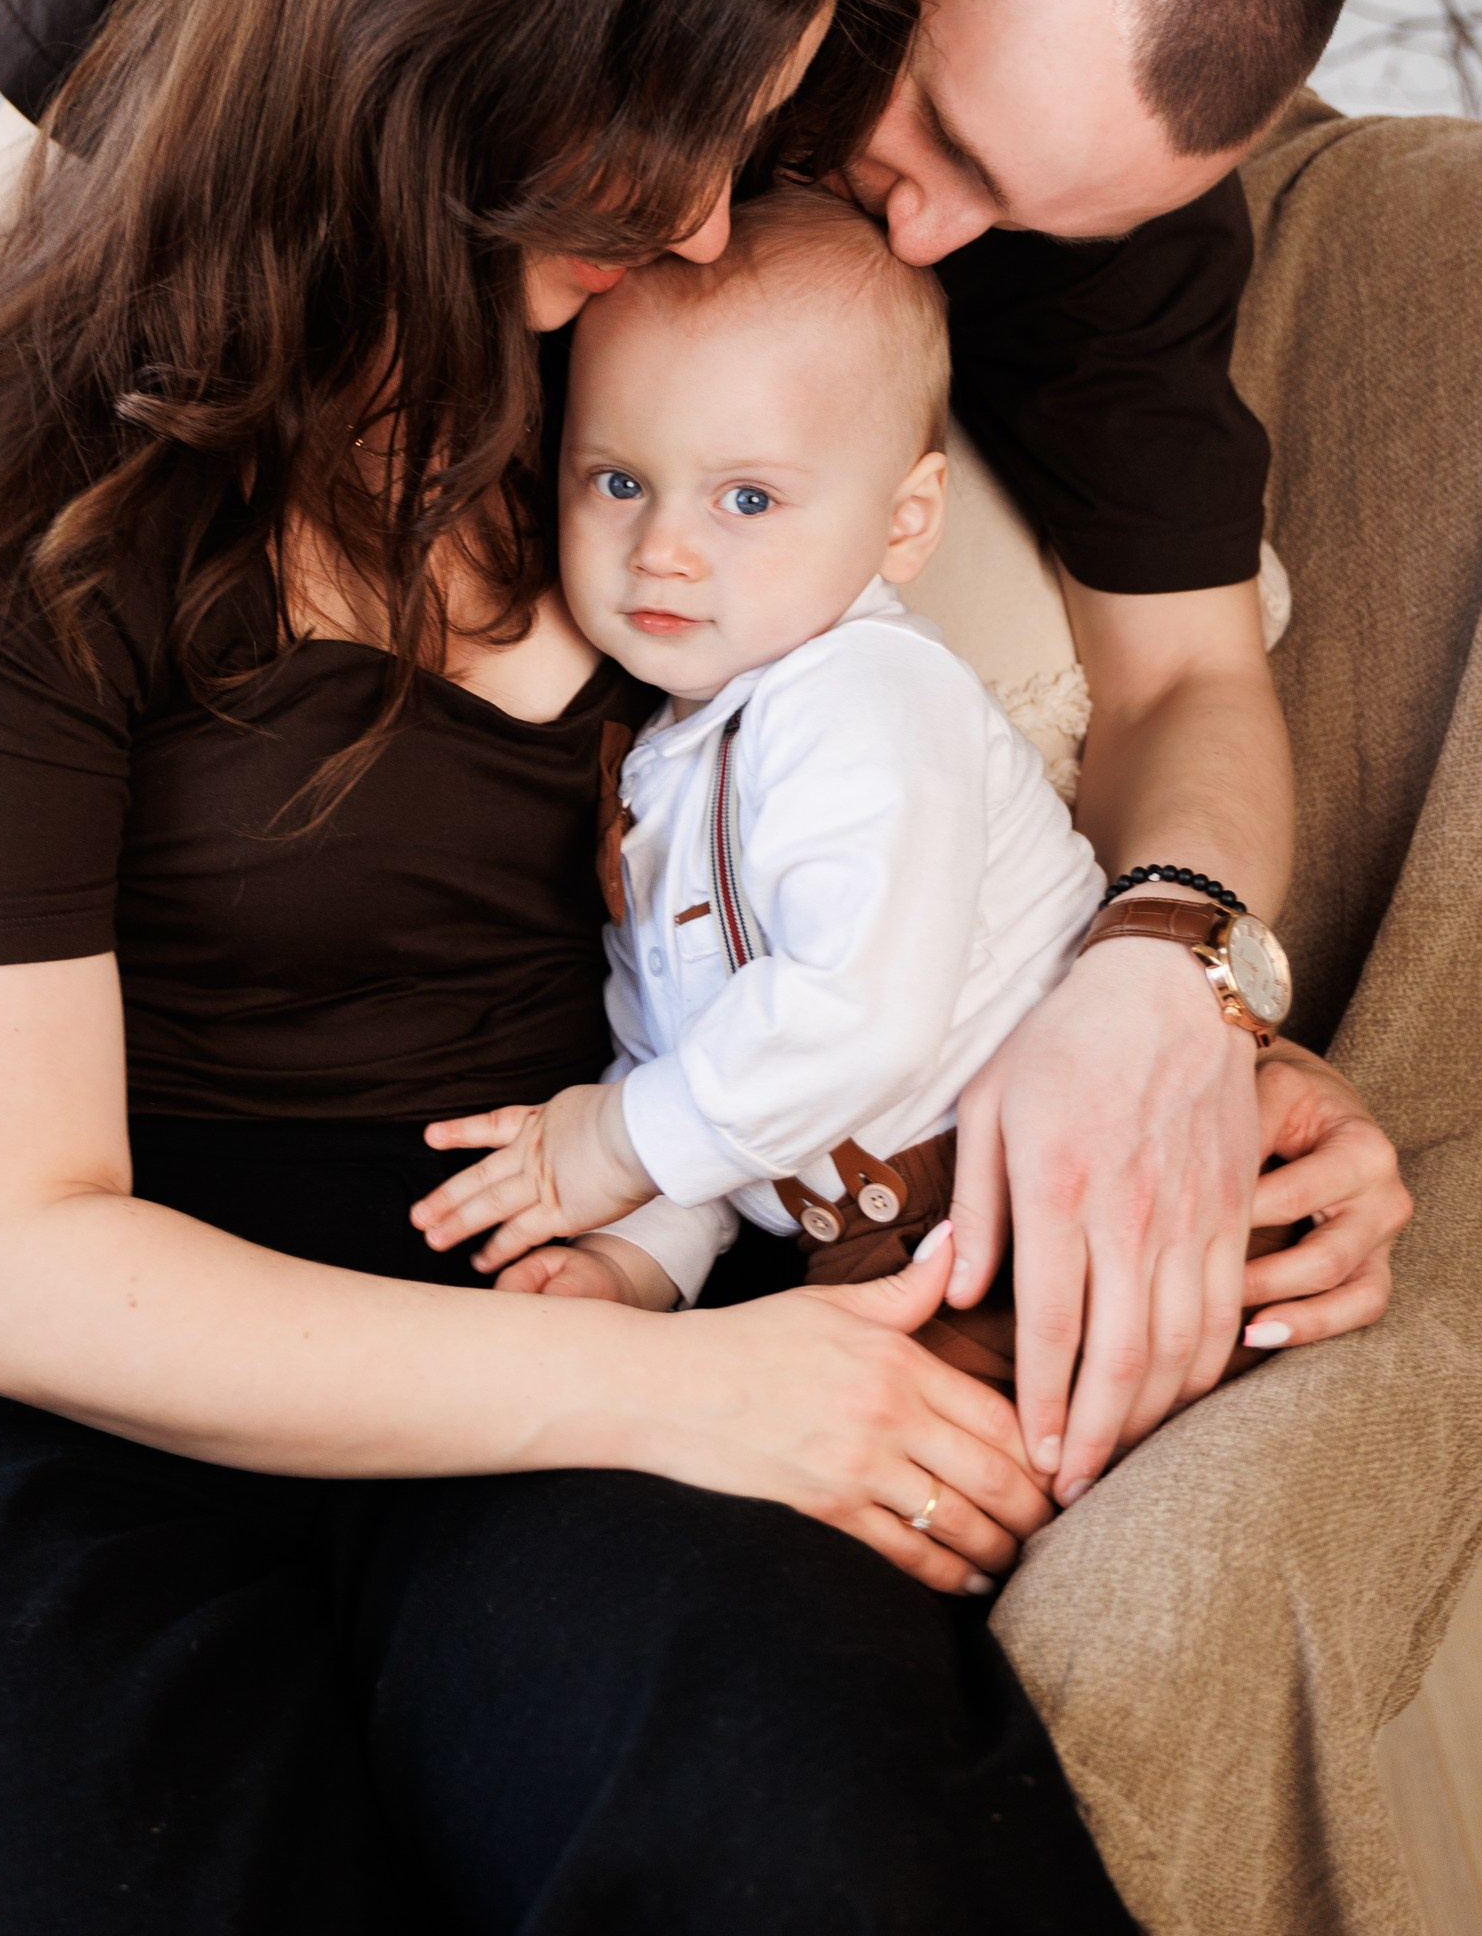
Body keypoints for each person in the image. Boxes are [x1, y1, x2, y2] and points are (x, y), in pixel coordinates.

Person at [0, 0, 1142, 1936]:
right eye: (675, 161)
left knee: (794, 1831)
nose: (719, 234)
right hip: (84, 1349)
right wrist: (681, 1407)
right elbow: (8, 1264)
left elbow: (971, 807)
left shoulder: (633, 369)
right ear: (456, 72)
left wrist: (1194, 1006)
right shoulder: (36, 478)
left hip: (580, 1275)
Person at [413, 189, 1339, 1416]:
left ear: (905, 524)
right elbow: (705, 1072)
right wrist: (632, 1264)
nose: (664, 550)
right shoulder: (662, 760)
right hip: (901, 1252)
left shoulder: (866, 701)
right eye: (618, 481)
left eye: (745, 499)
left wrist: (611, 1145)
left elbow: (852, 1021)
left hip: (1066, 1198)